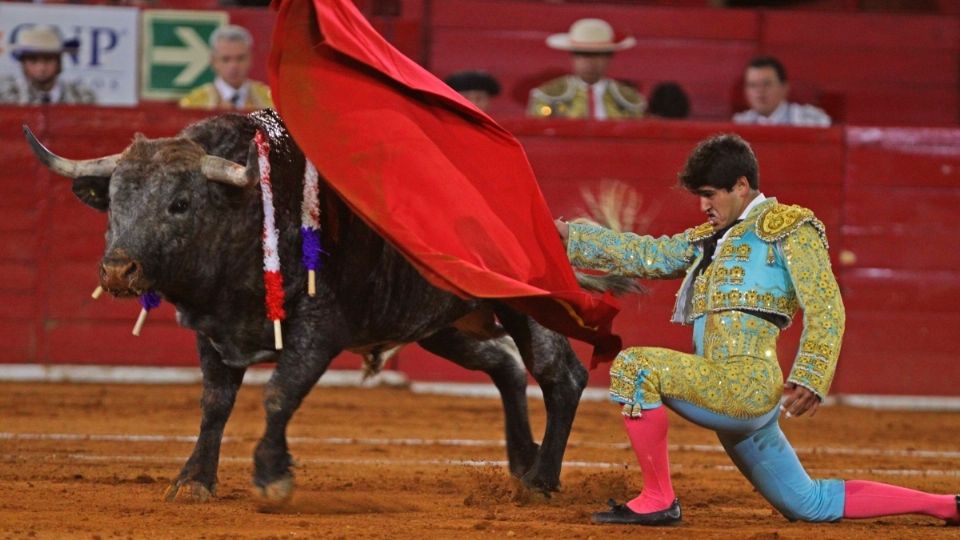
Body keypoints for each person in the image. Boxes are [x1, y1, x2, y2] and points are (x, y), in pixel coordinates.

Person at [556, 133, 959, 526]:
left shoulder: (790, 228)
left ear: (742, 185)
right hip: (725, 385)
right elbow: (647, 255)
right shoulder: (708, 239)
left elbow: (825, 305)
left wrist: (812, 374)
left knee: (635, 366)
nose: (703, 205)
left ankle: (659, 499)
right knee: (809, 503)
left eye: (711, 194)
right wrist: (570, 236)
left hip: (746, 385)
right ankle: (946, 505)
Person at [527, 18, 645, 120]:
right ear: (573, 57)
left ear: (609, 57)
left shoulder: (631, 100)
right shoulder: (547, 96)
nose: (589, 62)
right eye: (582, 54)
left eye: (597, 55)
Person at [179, 25, 273, 110]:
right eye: (226, 59)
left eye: (240, 58)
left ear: (250, 59)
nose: (234, 66)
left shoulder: (270, 100)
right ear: (213, 61)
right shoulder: (194, 104)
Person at [0, 25, 96, 105]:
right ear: (23, 64)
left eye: (48, 59)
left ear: (59, 62)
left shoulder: (82, 97)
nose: (41, 68)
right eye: (33, 61)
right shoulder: (7, 97)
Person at [733, 56, 830, 127]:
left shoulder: (809, 121)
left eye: (767, 84)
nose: (759, 91)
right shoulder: (740, 123)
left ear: (784, 88)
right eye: (752, 85)